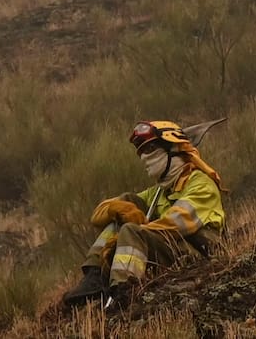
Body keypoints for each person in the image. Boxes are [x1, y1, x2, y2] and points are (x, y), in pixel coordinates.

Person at [61, 120, 226, 311]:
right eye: (142, 152)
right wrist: (116, 210)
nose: (144, 157)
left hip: (196, 253)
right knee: (125, 205)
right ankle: (95, 275)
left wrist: (130, 235)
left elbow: (176, 224)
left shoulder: (202, 184)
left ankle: (123, 291)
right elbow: (98, 215)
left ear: (173, 149)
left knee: (131, 230)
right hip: (172, 248)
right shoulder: (159, 192)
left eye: (151, 149)